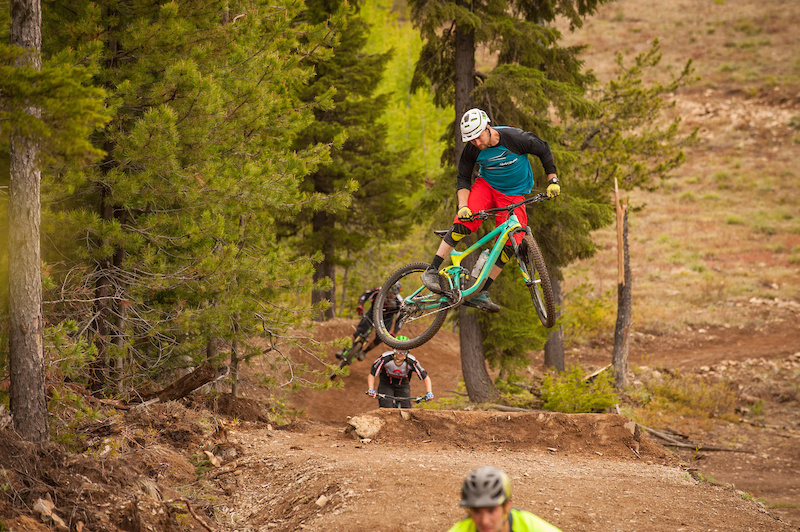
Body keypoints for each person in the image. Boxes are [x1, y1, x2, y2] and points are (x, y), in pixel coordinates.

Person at [421, 108, 560, 313]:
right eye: (471, 140)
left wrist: (553, 180)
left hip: (513, 194)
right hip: (486, 186)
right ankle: (432, 269)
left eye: (478, 137)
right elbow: (463, 178)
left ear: (488, 127)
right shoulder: (473, 149)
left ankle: (482, 293)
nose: (476, 143)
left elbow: (543, 149)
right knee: (466, 221)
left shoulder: (515, 138)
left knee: (513, 241)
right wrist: (463, 207)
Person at [448, 466, 562, 532]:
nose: (484, 521)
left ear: (507, 507)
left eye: (491, 510)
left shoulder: (532, 528)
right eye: (477, 512)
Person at [337, 282, 403, 361]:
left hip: (386, 320)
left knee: (380, 338)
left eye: (394, 294)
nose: (392, 296)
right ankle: (343, 350)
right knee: (359, 331)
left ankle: (364, 352)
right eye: (391, 293)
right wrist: (360, 305)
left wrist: (394, 332)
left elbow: (400, 319)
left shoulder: (399, 302)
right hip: (373, 313)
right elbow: (365, 295)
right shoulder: (380, 291)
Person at [366, 338, 434, 408]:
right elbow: (372, 374)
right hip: (386, 384)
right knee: (386, 407)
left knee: (406, 410)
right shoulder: (385, 358)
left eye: (403, 351)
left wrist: (429, 392)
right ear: (394, 349)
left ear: (407, 351)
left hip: (403, 385)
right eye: (398, 350)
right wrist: (371, 388)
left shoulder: (411, 361)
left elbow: (425, 377)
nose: (400, 354)